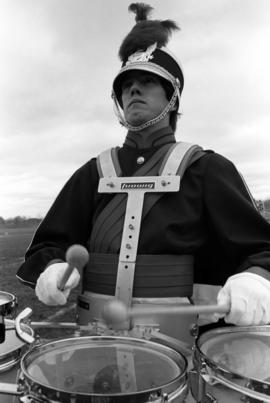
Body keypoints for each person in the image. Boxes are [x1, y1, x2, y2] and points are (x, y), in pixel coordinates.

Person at [17, 3, 270, 345]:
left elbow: (262, 248)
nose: (133, 90)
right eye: (127, 85)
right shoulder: (93, 173)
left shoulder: (206, 169)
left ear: (173, 98)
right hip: (95, 337)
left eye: (148, 82)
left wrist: (256, 279)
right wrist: (52, 269)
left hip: (183, 346)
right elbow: (48, 244)